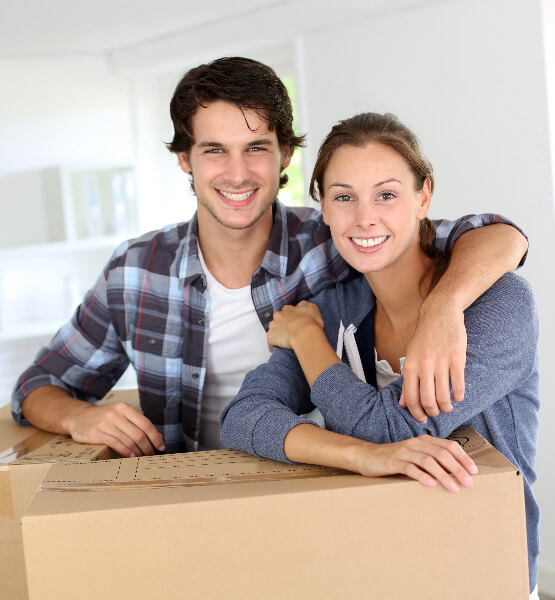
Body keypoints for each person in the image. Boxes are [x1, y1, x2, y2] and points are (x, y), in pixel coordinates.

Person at [12, 57, 527, 459]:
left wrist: (445, 307)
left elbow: (494, 237)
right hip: (182, 492)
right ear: (183, 159)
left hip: (302, 487)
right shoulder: (135, 271)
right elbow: (38, 386)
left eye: (256, 147)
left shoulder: (335, 240)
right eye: (214, 150)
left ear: (285, 155)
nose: (237, 173)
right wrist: (81, 419)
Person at [219, 112, 539, 596]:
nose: (364, 218)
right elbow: (242, 417)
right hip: (369, 568)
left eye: (386, 195)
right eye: (344, 197)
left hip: (484, 572)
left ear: (423, 197)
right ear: (323, 207)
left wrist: (309, 343)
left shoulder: (500, 302)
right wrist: (362, 456)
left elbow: (395, 427)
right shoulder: (331, 306)